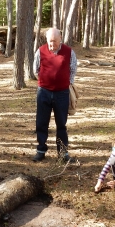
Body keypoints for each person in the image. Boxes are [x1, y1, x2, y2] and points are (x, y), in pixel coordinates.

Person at [32, 28, 77, 162]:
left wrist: (67, 83)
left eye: (55, 42)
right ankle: (41, 150)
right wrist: (44, 82)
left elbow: (73, 69)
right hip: (44, 92)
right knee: (41, 122)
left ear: (60, 39)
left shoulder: (69, 52)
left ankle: (63, 153)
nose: (52, 45)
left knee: (61, 123)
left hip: (62, 93)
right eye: (50, 42)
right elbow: (36, 70)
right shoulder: (40, 51)